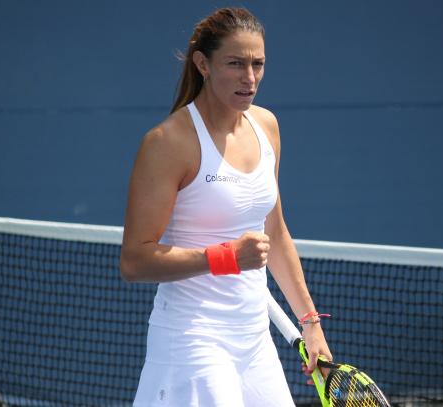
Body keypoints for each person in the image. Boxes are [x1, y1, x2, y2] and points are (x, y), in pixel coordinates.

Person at [120, 7, 332, 406]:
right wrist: (226, 258)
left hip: (254, 342)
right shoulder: (167, 143)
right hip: (192, 340)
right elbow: (134, 261)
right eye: (235, 64)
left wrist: (310, 324)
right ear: (203, 63)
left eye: (258, 64)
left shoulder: (266, 125)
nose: (249, 78)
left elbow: (276, 233)